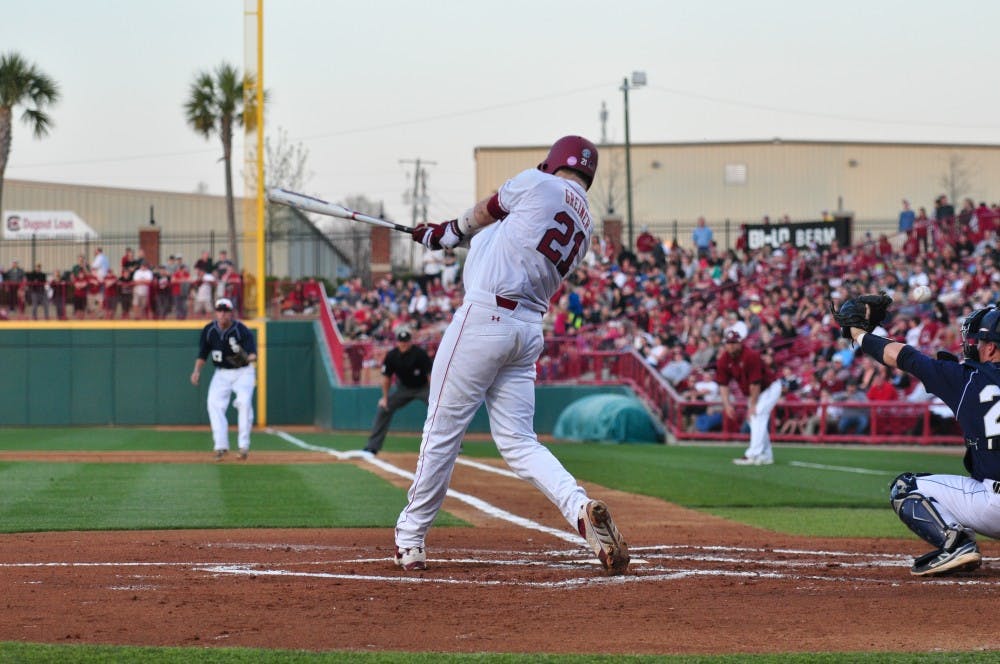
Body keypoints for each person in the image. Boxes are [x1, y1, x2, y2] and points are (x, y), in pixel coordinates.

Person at [393, 135, 630, 575]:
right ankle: (579, 508)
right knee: (520, 442)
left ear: (554, 161)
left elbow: (486, 213)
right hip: (526, 331)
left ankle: (410, 537)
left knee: (442, 429)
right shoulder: (584, 223)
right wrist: (440, 235)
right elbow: (503, 236)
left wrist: (447, 232)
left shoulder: (536, 184)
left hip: (485, 317)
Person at [835, 297, 1000, 576]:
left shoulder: (965, 378)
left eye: (977, 343)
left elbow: (902, 356)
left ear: (992, 347)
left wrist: (860, 334)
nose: (972, 347)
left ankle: (956, 543)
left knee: (905, 486)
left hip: (993, 504)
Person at [190, 297, 257, 461]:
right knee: (213, 404)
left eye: (225, 311)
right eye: (219, 310)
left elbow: (253, 354)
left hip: (243, 372)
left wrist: (246, 358)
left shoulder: (241, 330)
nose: (222, 314)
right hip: (221, 373)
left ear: (231, 313)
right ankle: (221, 446)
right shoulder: (209, 330)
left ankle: (243, 446)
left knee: (244, 403)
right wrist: (196, 371)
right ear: (215, 312)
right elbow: (202, 354)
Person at [362, 328, 432, 455]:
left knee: (440, 410)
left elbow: (430, 375)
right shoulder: (392, 355)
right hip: (404, 389)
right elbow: (386, 378)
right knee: (384, 408)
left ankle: (455, 446)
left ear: (410, 342)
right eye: (401, 341)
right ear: (397, 342)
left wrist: (434, 396)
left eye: (406, 341)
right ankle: (372, 446)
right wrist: (385, 398)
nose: (403, 344)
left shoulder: (420, 354)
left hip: (423, 388)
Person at [716, 329, 781, 465]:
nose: (731, 346)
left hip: (769, 387)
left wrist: (752, 406)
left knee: (756, 415)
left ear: (740, 343)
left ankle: (753, 454)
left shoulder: (750, 355)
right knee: (754, 420)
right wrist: (727, 405)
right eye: (728, 343)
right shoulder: (724, 359)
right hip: (756, 391)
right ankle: (766, 455)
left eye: (734, 342)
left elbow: (755, 384)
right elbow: (723, 384)